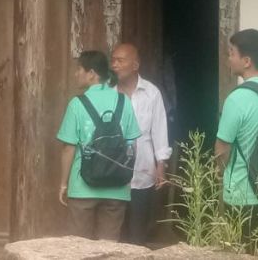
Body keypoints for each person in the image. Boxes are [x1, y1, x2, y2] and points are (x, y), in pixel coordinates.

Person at [57, 50, 142, 240]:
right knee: (109, 246)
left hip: (82, 187)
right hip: (117, 189)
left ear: (91, 74)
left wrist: (63, 184)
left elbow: (68, 148)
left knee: (78, 246)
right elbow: (132, 144)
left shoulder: (77, 104)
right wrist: (124, 173)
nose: (76, 74)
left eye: (79, 69)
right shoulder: (124, 101)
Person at [215, 29, 258, 227]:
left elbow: (222, 149)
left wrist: (219, 173)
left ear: (246, 61)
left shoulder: (237, 98)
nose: (228, 59)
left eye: (231, 53)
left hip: (241, 192)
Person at [111, 43, 172, 246]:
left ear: (135, 65)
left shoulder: (151, 93)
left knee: (138, 232)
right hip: (113, 172)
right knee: (114, 232)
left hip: (143, 171)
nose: (114, 65)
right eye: (113, 60)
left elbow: (159, 130)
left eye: (120, 60)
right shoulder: (109, 93)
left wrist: (161, 165)